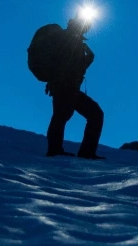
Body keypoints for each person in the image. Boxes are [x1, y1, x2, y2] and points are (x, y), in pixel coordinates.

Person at [44, 15, 105, 159]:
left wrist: (89, 58)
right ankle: (58, 150)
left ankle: (60, 150)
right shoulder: (68, 40)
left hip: (66, 86)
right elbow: (66, 64)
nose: (86, 29)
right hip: (65, 86)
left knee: (63, 115)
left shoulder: (74, 40)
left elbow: (76, 66)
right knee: (65, 115)